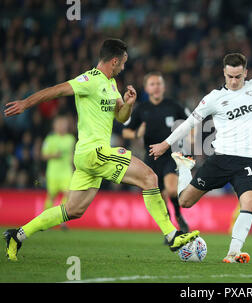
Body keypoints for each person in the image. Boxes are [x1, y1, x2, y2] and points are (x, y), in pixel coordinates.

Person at [3, 38, 199, 261]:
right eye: (123, 63)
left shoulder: (111, 84)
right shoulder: (89, 80)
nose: (124, 67)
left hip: (90, 158)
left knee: (73, 210)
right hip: (94, 152)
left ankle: (17, 235)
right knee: (149, 177)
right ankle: (172, 235)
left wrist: (128, 104)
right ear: (114, 61)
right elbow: (56, 91)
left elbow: (121, 116)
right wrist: (25, 103)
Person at [149, 17, 252, 263]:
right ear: (224, 72)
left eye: (238, 76)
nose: (234, 81)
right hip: (220, 159)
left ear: (246, 72)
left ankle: (233, 252)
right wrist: (166, 144)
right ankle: (184, 168)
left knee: (251, 201)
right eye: (230, 76)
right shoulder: (213, 98)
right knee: (185, 202)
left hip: (247, 160)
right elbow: (190, 122)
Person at [122, 71, 190, 235]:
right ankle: (170, 229)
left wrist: (192, 136)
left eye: (159, 83)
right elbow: (126, 132)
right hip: (151, 157)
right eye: (152, 84)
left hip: (171, 155)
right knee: (159, 197)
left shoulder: (173, 106)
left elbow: (189, 122)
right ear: (146, 88)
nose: (156, 87)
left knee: (172, 190)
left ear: (164, 87)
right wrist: (138, 133)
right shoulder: (141, 109)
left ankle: (179, 216)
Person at [41, 115, 76, 230]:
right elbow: (43, 155)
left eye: (63, 124)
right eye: (59, 124)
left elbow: (72, 155)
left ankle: (62, 220)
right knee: (51, 196)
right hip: (53, 172)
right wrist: (53, 155)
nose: (61, 127)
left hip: (66, 172)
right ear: (54, 126)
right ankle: (46, 220)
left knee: (68, 195)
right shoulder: (50, 139)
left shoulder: (70, 139)